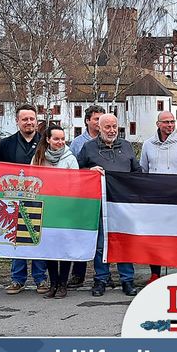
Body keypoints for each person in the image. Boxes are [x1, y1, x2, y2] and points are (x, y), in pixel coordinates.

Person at [78, 113, 141, 297]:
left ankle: (127, 279)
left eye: (115, 127)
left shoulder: (127, 146)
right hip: (100, 204)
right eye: (108, 127)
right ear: (99, 127)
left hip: (123, 204)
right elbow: (76, 171)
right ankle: (101, 279)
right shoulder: (88, 148)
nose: (112, 130)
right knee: (100, 244)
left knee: (124, 241)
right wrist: (88, 171)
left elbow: (137, 171)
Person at [0, 104, 49, 295]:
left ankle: (41, 279)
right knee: (16, 240)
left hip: (41, 198)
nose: (29, 122)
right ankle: (17, 279)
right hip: (13, 199)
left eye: (32, 119)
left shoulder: (47, 142)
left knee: (37, 239)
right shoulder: (6, 144)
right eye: (24, 119)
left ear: (37, 121)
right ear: (17, 121)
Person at [140, 111, 177, 283]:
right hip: (155, 201)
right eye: (166, 122)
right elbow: (144, 170)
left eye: (172, 122)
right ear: (158, 124)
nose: (170, 125)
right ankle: (155, 273)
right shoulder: (147, 145)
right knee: (155, 239)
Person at [31, 125, 79, 299]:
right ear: (48, 140)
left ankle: (63, 284)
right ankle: (53, 283)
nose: (60, 142)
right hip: (46, 208)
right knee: (50, 248)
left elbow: (75, 183)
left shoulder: (70, 159)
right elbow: (32, 179)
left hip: (64, 208)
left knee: (64, 247)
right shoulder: (38, 157)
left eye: (62, 139)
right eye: (56, 139)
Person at [69, 105, 106, 288]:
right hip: (83, 196)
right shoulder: (77, 143)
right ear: (87, 121)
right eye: (96, 119)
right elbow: (73, 169)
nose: (99, 123)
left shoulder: (108, 140)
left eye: (102, 119)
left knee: (103, 237)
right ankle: (78, 272)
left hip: (103, 195)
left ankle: (104, 273)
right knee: (82, 235)